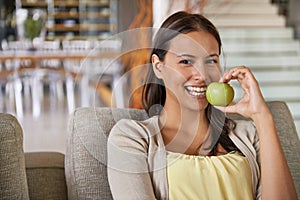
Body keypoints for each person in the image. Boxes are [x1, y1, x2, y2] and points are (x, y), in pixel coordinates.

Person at [107, 11, 297, 200]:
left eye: (211, 61)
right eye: (186, 61)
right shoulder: (131, 137)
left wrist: (262, 117)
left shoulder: (248, 134)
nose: (202, 75)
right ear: (158, 66)